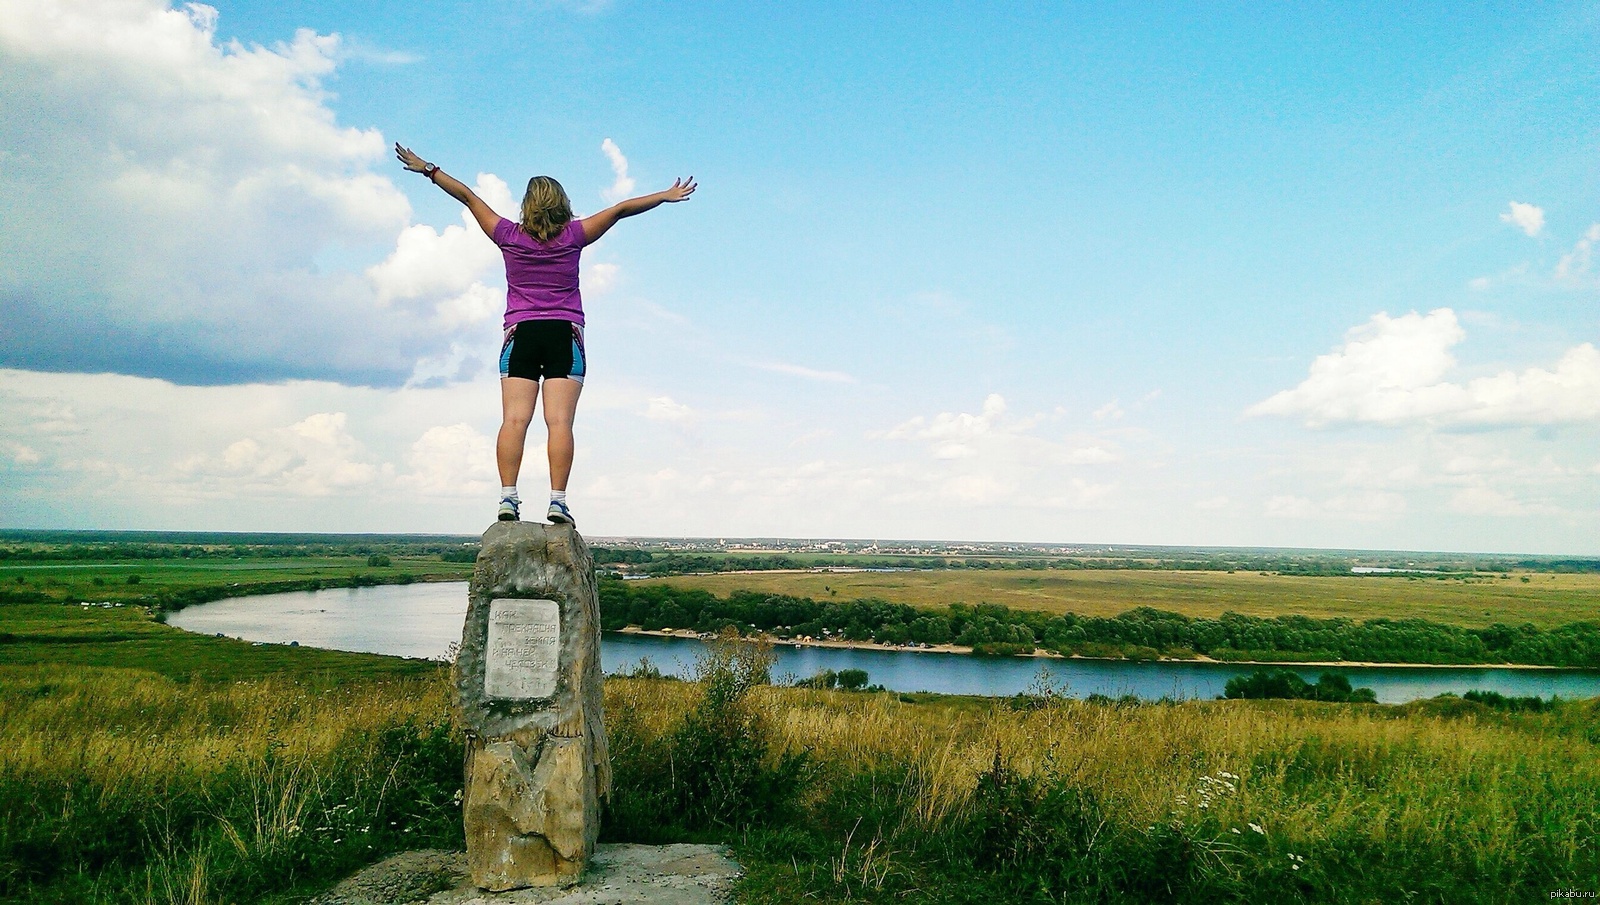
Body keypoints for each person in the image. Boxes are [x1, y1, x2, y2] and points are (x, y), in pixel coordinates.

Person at [394, 143, 695, 527]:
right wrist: (665, 196)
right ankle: (557, 502)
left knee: (515, 421)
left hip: (520, 334)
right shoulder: (574, 235)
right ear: (562, 203)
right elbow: (620, 210)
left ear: (527, 205)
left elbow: (468, 196)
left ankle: (507, 498)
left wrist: (428, 168)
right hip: (563, 335)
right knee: (560, 423)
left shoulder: (507, 234)